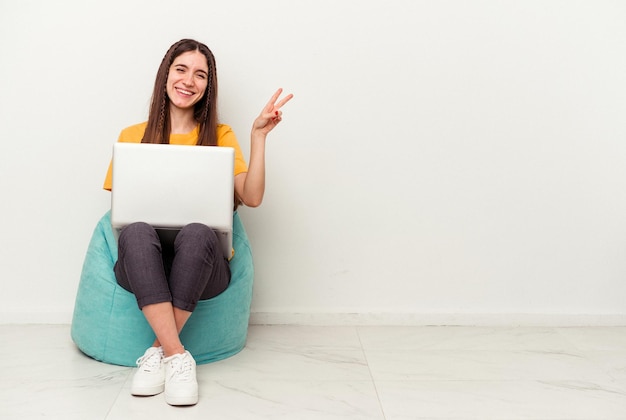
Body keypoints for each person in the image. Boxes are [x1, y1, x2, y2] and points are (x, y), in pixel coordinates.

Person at [102, 39, 292, 406]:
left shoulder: (220, 136)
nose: (189, 80)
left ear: (208, 86)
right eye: (181, 69)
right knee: (138, 230)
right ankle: (177, 356)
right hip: (143, 265)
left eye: (200, 74)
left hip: (205, 268)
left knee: (198, 231)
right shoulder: (131, 136)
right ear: (166, 75)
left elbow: (251, 197)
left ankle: (159, 353)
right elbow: (120, 215)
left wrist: (258, 137)